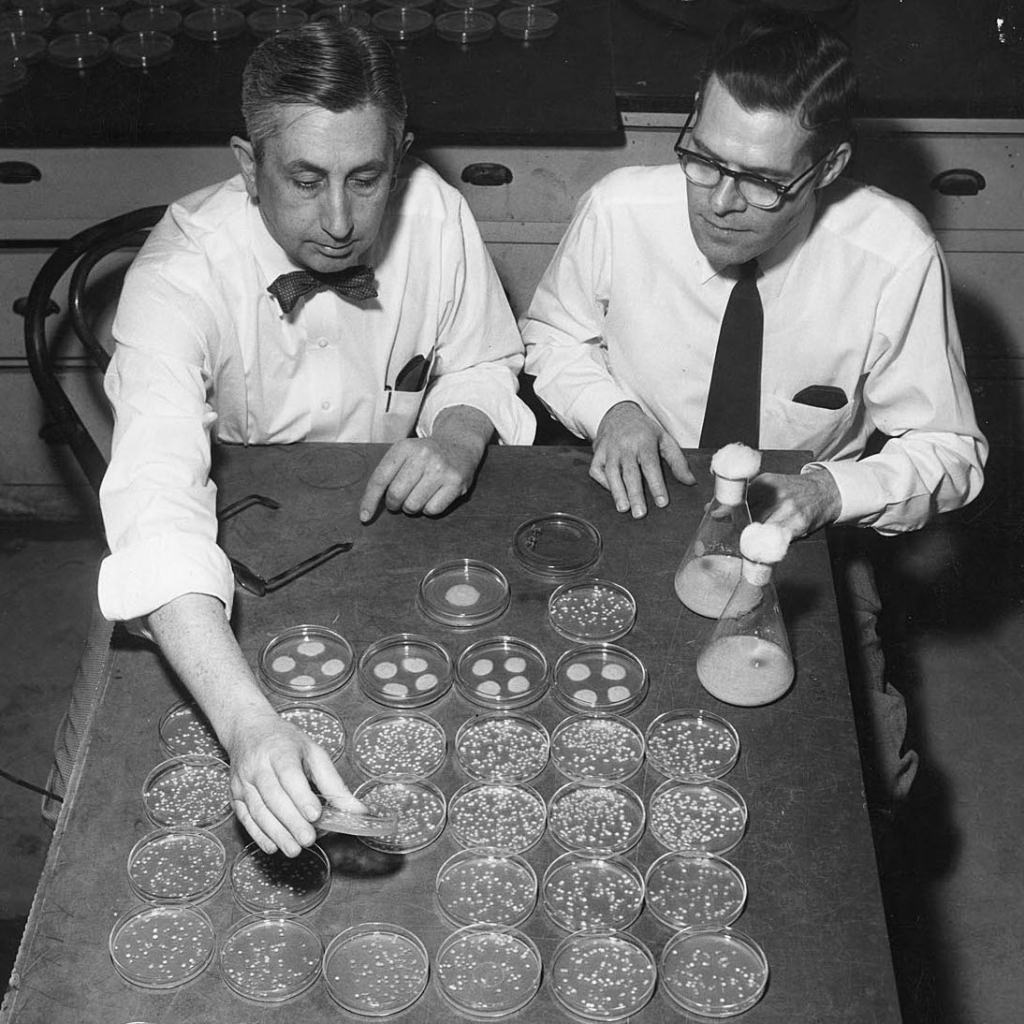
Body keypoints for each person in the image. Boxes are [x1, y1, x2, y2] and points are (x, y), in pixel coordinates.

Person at [521, 4, 987, 821]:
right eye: (704, 159)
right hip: (644, 495)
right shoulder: (620, 209)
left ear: (829, 165)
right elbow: (554, 335)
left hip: (803, 540)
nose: (721, 202)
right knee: (585, 744)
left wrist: (834, 491)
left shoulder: (892, 255)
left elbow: (952, 449)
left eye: (765, 182)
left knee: (861, 788)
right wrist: (613, 409)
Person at [97, 23, 535, 857]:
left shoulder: (437, 212)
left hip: (402, 548)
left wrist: (460, 431)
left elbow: (486, 358)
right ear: (244, 163)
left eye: (366, 178)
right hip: (236, 550)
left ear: (400, 156)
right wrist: (248, 726)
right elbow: (156, 507)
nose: (339, 222)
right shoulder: (177, 276)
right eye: (305, 180)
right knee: (121, 795)